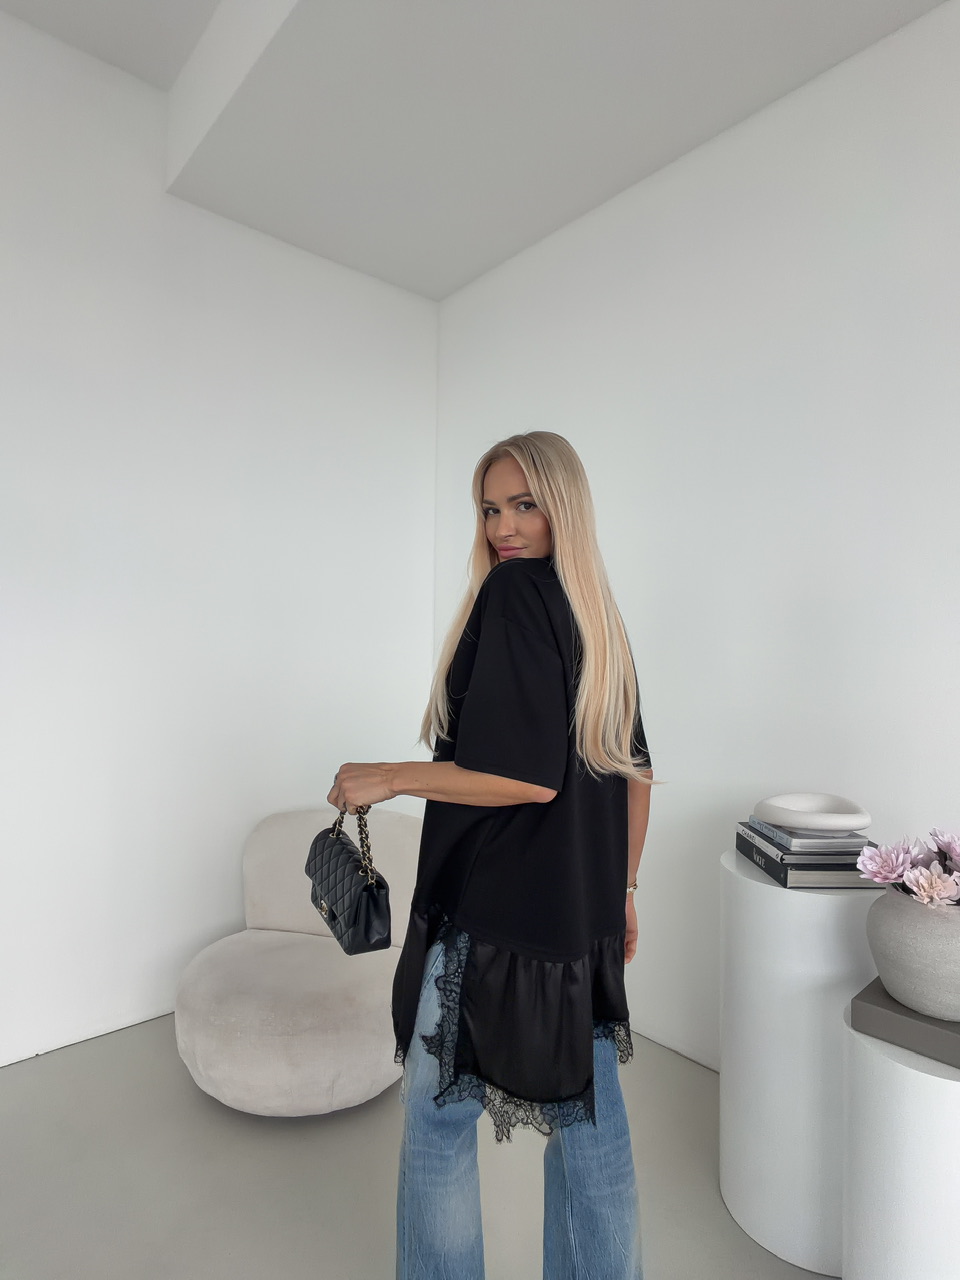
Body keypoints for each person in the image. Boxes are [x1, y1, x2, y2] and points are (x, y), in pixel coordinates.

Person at [327, 431, 653, 1280]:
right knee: (588, 1127)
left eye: (524, 505)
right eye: (490, 509)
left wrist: (392, 777)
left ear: (563, 507)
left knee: (438, 1119)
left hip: (490, 913)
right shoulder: (598, 616)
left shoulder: (512, 594)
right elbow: (637, 777)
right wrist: (621, 892)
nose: (504, 527)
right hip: (573, 920)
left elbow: (527, 778)